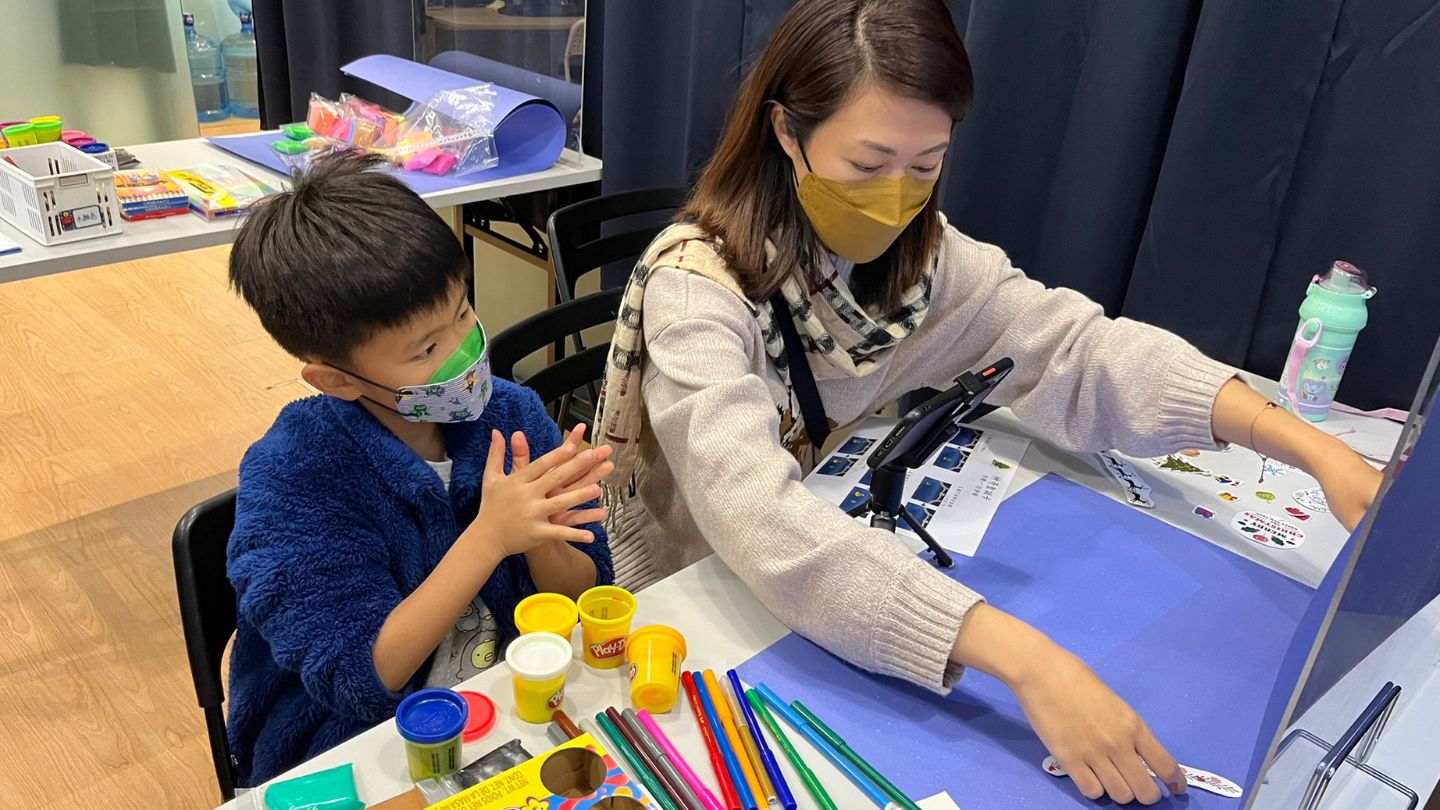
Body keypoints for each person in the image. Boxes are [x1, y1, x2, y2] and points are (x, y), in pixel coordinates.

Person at [596, 0, 1384, 804]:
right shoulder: (698, 291)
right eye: (868, 164)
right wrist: (1027, 662)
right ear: (786, 133)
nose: (895, 197)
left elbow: (1075, 347)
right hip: (693, 592)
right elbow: (755, 515)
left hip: (821, 556)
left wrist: (1306, 445)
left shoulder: (923, 263)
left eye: (926, 165)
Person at [224, 153, 614, 786]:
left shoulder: (509, 413)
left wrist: (543, 534)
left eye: (463, 311)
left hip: (510, 705)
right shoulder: (295, 474)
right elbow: (361, 677)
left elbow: (579, 595)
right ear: (336, 380)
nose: (465, 350)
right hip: (368, 746)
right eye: (427, 348)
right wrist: (491, 537)